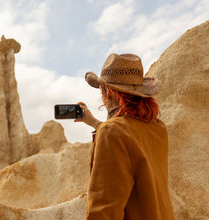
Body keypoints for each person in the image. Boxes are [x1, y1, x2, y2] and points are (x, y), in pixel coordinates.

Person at [75, 53, 175, 220]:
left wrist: (104, 128)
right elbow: (130, 144)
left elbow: (103, 211)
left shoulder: (112, 132)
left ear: (108, 92)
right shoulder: (158, 128)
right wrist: (94, 123)